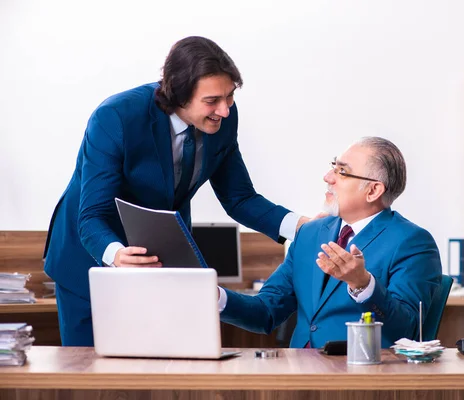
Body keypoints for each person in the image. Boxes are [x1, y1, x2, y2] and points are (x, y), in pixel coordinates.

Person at [43, 36, 315, 346]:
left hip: (162, 254)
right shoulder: (116, 117)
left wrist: (302, 227)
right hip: (90, 254)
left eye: (230, 96)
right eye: (212, 100)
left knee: (166, 363)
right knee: (90, 371)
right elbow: (92, 215)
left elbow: (240, 198)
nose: (224, 110)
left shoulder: (224, 119)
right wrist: (115, 254)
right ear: (179, 93)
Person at [219, 136, 443, 348]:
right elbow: (266, 312)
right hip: (298, 372)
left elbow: (408, 331)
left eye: (342, 172)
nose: (328, 177)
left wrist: (363, 284)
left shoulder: (412, 242)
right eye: (333, 166)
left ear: (373, 190)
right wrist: (216, 298)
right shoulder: (310, 233)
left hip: (358, 375)